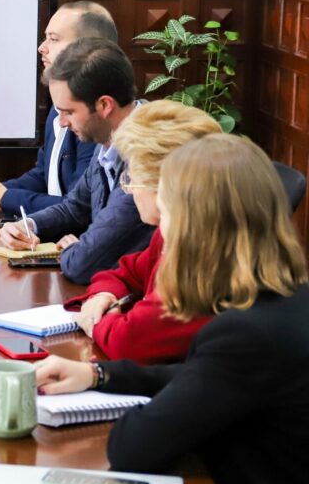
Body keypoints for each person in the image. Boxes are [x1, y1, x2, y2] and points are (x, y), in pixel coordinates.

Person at [35, 135, 309, 484]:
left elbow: (131, 448)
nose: (163, 233)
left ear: (196, 227)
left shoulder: (243, 335)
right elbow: (200, 381)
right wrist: (99, 374)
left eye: (169, 216)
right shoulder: (280, 301)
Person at [65, 100, 221, 363]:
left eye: (131, 178)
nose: (127, 188)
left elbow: (128, 341)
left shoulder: (200, 255)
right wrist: (104, 295)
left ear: (163, 183)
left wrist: (102, 318)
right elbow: (122, 272)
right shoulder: (167, 233)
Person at [0, 38, 154, 284]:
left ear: (104, 105)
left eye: (68, 112)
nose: (61, 123)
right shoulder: (108, 139)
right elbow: (74, 208)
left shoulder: (148, 152)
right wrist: (27, 225)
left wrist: (73, 249)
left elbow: (84, 264)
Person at [0, 1, 110, 213]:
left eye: (53, 39)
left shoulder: (95, 116)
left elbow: (79, 207)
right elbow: (45, 174)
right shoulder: (59, 107)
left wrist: (5, 197)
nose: (41, 48)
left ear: (87, 49)